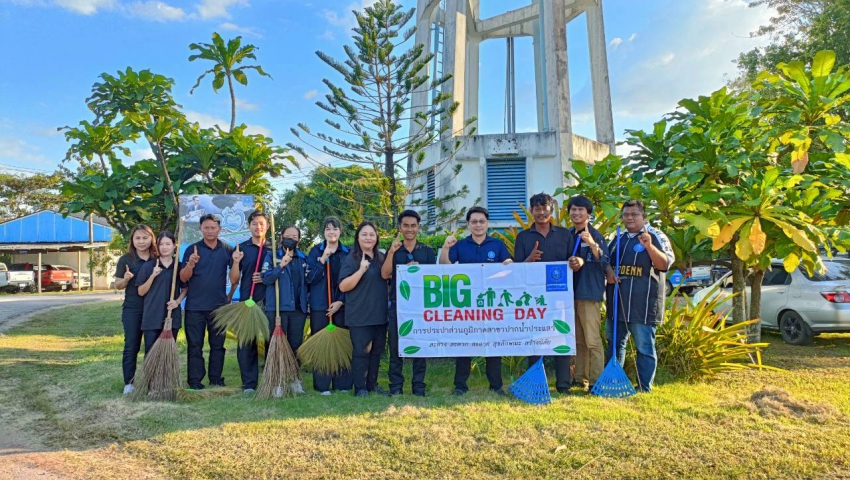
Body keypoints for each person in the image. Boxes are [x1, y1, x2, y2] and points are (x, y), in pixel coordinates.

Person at [440, 206, 513, 396]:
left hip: (490, 303)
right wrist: (446, 247)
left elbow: (508, 267)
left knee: (493, 343)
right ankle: (460, 386)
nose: (478, 225)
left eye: (481, 221)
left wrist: (508, 265)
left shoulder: (497, 245)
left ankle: (496, 385)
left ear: (487, 223)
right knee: (465, 342)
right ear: (469, 224)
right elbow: (444, 266)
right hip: (467, 303)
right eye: (474, 222)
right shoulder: (460, 245)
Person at [512, 193, 582, 393]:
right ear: (531, 212)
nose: (541, 212)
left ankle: (563, 384)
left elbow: (573, 263)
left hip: (560, 297)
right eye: (537, 209)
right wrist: (529, 259)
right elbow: (517, 269)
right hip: (533, 298)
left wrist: (576, 263)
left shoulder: (564, 235)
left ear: (551, 211)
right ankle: (536, 382)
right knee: (535, 337)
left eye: (545, 209)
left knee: (561, 336)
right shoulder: (523, 237)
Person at [606, 199, 675, 393]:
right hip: (618, 301)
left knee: (644, 347)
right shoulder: (618, 237)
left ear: (644, 217)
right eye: (626, 215)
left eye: (634, 214)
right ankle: (613, 382)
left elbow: (664, 265)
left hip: (644, 303)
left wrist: (649, 247)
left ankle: (644, 387)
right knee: (615, 345)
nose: (629, 218)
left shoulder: (656, 236)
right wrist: (609, 271)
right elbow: (606, 263)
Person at [381, 210, 436, 396]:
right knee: (396, 348)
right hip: (397, 306)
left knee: (419, 347)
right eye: (406, 225)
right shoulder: (395, 250)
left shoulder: (427, 251)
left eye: (413, 226)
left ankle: (418, 386)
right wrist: (391, 252)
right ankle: (396, 387)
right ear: (400, 227)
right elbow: (385, 274)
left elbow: (434, 280)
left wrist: (420, 272)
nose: (410, 229)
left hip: (420, 307)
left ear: (418, 227)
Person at [180, 214, 237, 390]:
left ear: (219, 229)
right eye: (206, 227)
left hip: (218, 307)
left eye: (213, 227)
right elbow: (183, 278)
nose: (210, 231)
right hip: (195, 307)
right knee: (195, 345)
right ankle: (195, 381)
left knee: (218, 345)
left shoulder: (227, 249)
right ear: (200, 229)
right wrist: (190, 264)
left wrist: (229, 295)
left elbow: (235, 279)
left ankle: (216, 378)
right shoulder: (192, 249)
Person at [339, 221, 389, 397]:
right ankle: (360, 388)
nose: (368, 238)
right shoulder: (351, 258)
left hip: (380, 314)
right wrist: (360, 271)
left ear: (377, 238)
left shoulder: (381, 258)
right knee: (361, 352)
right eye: (364, 234)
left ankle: (372, 384)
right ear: (358, 238)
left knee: (376, 352)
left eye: (372, 234)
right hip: (359, 315)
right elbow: (343, 286)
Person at [305, 217, 352, 394]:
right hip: (320, 306)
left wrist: (340, 301)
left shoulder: (347, 253)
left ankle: (343, 384)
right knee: (322, 345)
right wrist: (323, 258)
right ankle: (322, 385)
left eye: (335, 229)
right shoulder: (314, 252)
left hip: (341, 305)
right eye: (327, 229)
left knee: (342, 344)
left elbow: (350, 280)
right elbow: (310, 278)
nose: (331, 232)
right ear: (323, 232)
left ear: (340, 231)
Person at [566, 195, 609, 391]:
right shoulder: (568, 235)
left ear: (588, 214)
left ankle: (596, 381)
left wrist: (592, 244)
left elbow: (604, 261)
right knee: (578, 340)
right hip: (569, 294)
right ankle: (580, 378)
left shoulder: (594, 235)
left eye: (581, 210)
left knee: (592, 340)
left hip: (589, 293)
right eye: (573, 209)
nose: (576, 213)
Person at [230, 210, 272, 393]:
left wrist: (265, 278)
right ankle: (249, 384)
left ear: (268, 226)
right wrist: (236, 262)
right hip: (249, 300)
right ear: (249, 226)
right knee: (247, 343)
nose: (258, 227)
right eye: (254, 223)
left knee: (272, 341)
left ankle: (273, 380)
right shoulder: (242, 249)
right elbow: (233, 279)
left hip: (271, 301)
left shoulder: (274, 248)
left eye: (262, 223)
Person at [113, 225, 158, 395]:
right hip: (133, 308)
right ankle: (129, 383)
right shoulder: (126, 260)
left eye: (145, 238)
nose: (141, 241)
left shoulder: (157, 258)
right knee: (131, 345)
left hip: (154, 308)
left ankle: (150, 382)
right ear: (132, 240)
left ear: (152, 239)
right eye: (137, 238)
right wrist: (125, 279)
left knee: (151, 346)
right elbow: (117, 285)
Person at [261, 225, 308, 365]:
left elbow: (308, 282)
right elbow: (265, 278)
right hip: (277, 308)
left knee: (296, 344)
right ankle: (276, 380)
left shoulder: (303, 258)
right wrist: (280, 266)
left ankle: (294, 378)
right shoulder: (272, 256)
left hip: (298, 309)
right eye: (288, 236)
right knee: (275, 344)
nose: (291, 239)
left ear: (299, 239)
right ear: (281, 237)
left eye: (294, 237)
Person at [136, 231, 187, 353]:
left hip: (171, 317)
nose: (164, 247)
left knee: (167, 354)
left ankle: (167, 373)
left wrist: (177, 301)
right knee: (151, 354)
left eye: (168, 244)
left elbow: (185, 288)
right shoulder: (149, 266)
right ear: (157, 246)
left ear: (174, 246)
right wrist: (153, 275)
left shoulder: (178, 266)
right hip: (152, 317)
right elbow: (141, 292)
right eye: (161, 244)